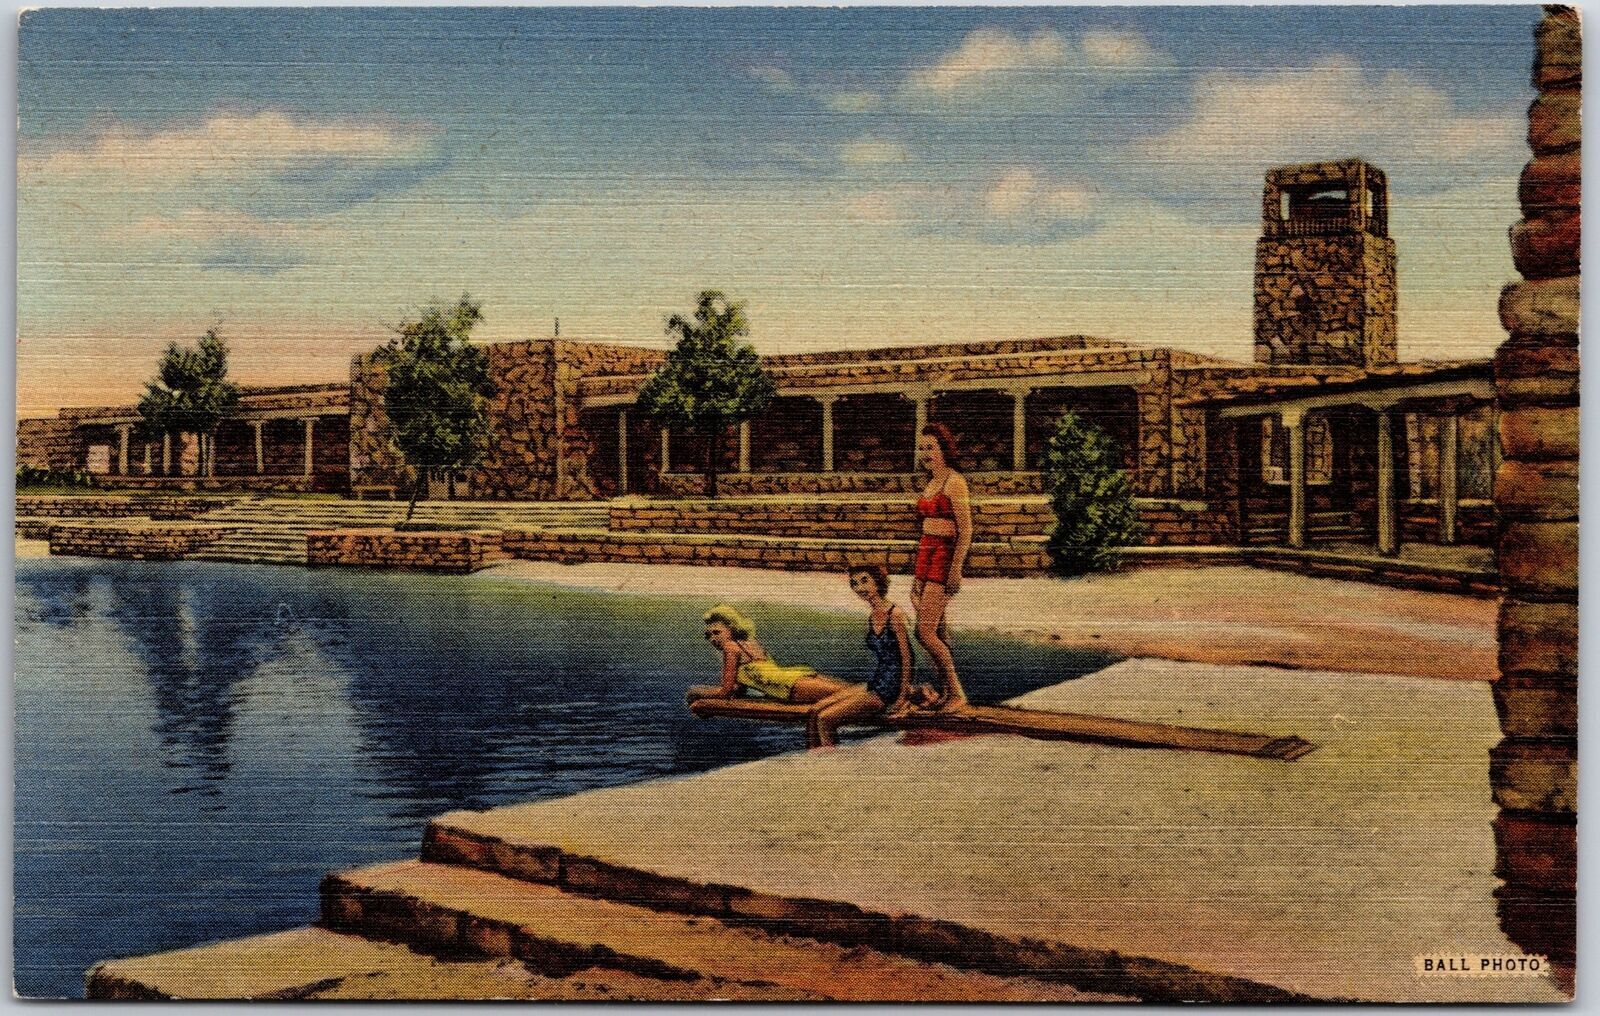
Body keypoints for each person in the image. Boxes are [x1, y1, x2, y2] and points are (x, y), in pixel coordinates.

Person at [805, 564, 916, 747]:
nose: (859, 588)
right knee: (814, 711)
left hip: (889, 690)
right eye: (854, 583)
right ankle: (813, 763)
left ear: (878, 582)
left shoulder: (895, 615)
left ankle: (829, 768)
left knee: (825, 719)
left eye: (865, 581)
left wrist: (902, 697)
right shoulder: (873, 615)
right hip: (876, 682)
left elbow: (907, 659)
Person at [911, 423, 971, 711]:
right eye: (921, 448)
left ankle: (957, 693)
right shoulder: (931, 481)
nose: (925, 453)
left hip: (944, 555)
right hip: (926, 552)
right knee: (940, 631)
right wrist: (917, 576)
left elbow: (966, 528)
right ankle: (947, 693)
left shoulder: (954, 481)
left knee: (925, 632)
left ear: (944, 449)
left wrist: (956, 568)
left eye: (930, 448)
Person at [697, 603, 855, 706]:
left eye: (717, 632)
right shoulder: (751, 643)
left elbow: (725, 692)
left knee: (852, 699)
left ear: (731, 628)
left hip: (785, 686)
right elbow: (742, 683)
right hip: (793, 676)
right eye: (708, 635)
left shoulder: (730, 648)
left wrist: (696, 693)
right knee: (855, 693)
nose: (713, 639)